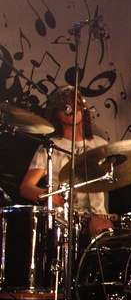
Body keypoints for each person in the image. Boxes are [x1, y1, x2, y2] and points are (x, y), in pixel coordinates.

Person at [19, 85, 114, 239]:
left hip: (96, 218)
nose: (71, 107)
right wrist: (46, 194)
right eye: (65, 104)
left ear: (83, 107)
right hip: (61, 219)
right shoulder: (50, 146)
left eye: (75, 102)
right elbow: (26, 187)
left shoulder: (100, 145)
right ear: (57, 113)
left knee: (106, 228)